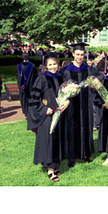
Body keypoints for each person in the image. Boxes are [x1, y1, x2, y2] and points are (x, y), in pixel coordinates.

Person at [27, 53, 69, 182]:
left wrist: (67, 102)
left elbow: (65, 94)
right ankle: (50, 170)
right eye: (50, 65)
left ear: (58, 64)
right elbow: (34, 99)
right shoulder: (41, 78)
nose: (53, 67)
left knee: (57, 140)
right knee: (50, 140)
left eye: (54, 64)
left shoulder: (61, 77)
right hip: (48, 116)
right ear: (46, 66)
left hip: (59, 114)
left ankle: (54, 166)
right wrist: (45, 109)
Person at [59, 42, 99, 167]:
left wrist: (94, 85)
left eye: (82, 54)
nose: (80, 57)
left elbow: (96, 84)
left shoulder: (89, 69)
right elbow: (61, 88)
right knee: (71, 127)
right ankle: (71, 156)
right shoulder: (65, 70)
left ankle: (85, 153)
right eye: (77, 54)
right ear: (73, 54)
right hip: (71, 105)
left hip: (86, 103)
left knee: (86, 126)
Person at [16, 53, 38, 117]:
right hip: (31, 86)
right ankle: (30, 112)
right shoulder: (33, 66)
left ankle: (25, 112)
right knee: (30, 99)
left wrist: (19, 86)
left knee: (23, 99)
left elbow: (17, 77)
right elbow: (35, 76)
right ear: (28, 57)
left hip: (21, 86)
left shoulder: (18, 66)